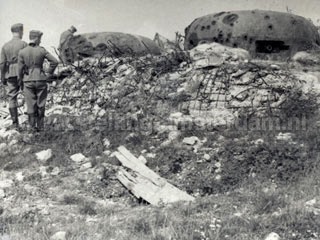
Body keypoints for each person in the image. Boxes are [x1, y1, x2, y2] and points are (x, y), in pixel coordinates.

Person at [18, 30, 58, 132]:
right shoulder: (42, 50)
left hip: (27, 81)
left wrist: (20, 81)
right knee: (41, 104)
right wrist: (49, 73)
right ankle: (41, 128)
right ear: (36, 38)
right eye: (40, 38)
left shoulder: (22, 52)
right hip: (41, 79)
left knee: (30, 105)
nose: (40, 41)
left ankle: (32, 129)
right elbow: (55, 61)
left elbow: (20, 69)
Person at [0, 23, 27, 130]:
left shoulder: (5, 46)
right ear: (20, 31)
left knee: (12, 97)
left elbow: (2, 64)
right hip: (23, 72)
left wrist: (2, 76)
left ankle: (15, 123)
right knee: (28, 95)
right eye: (22, 31)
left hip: (10, 73)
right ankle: (31, 122)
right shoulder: (24, 44)